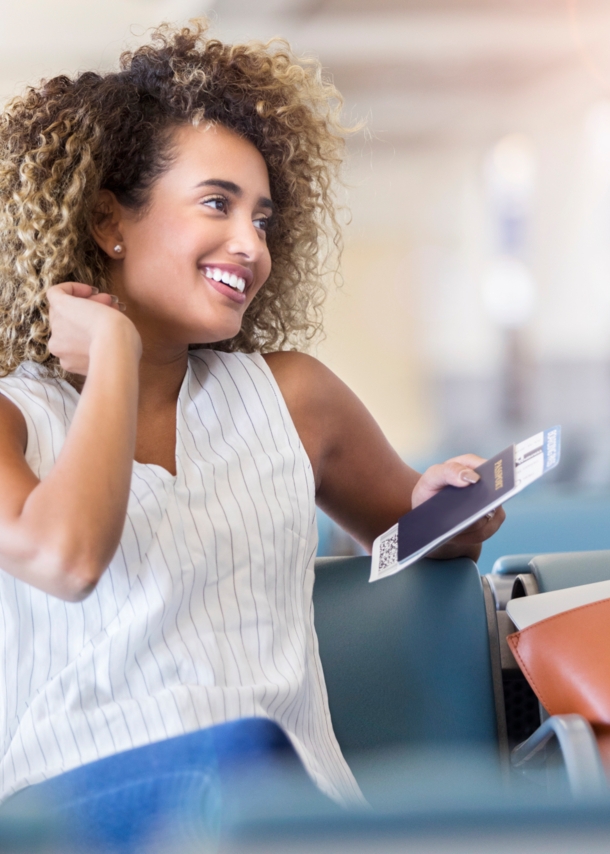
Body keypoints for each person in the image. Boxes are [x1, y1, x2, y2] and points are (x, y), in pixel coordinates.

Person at [0, 18, 505, 842]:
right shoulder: (13, 417)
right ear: (106, 223)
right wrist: (117, 351)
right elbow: (67, 556)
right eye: (217, 205)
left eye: (264, 220)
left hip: (279, 795)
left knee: (256, 772)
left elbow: (415, 531)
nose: (250, 245)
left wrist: (443, 503)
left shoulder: (294, 396)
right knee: (240, 763)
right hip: (73, 809)